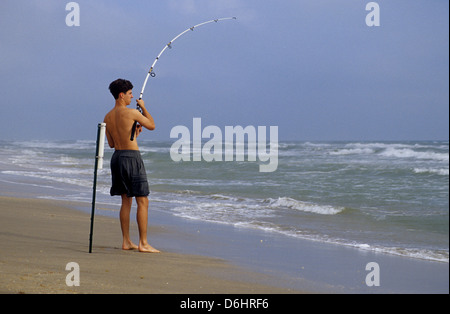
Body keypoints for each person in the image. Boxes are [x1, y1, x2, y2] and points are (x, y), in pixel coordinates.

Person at [103, 78, 160, 253]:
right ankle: (143, 243)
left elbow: (112, 144)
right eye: (129, 94)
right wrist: (143, 107)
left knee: (125, 201)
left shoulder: (108, 116)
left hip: (117, 158)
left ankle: (126, 241)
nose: (132, 97)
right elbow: (151, 125)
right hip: (132, 158)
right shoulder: (131, 113)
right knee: (142, 200)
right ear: (121, 95)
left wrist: (133, 134)